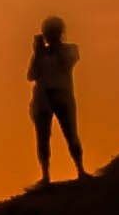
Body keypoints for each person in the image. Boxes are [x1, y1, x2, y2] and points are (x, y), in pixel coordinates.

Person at [28, 14, 87, 184]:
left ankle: (80, 169)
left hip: (62, 95)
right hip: (42, 98)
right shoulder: (40, 54)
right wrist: (37, 53)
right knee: (43, 137)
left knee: (71, 133)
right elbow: (31, 75)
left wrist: (53, 50)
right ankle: (45, 175)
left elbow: (65, 65)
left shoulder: (70, 49)